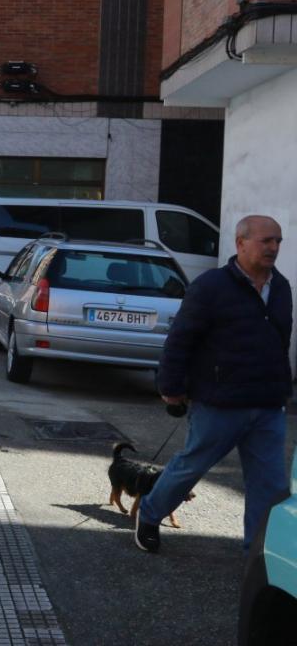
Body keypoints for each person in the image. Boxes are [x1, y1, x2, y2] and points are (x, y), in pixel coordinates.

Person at [134, 214, 292, 554]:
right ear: (241, 243)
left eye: (278, 241)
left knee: (270, 485)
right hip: (219, 402)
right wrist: (171, 386)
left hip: (267, 404)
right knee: (191, 468)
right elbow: (180, 340)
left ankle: (259, 553)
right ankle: (149, 513)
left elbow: (281, 340)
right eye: (266, 240)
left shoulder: (281, 287)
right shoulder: (210, 286)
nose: (274, 247)